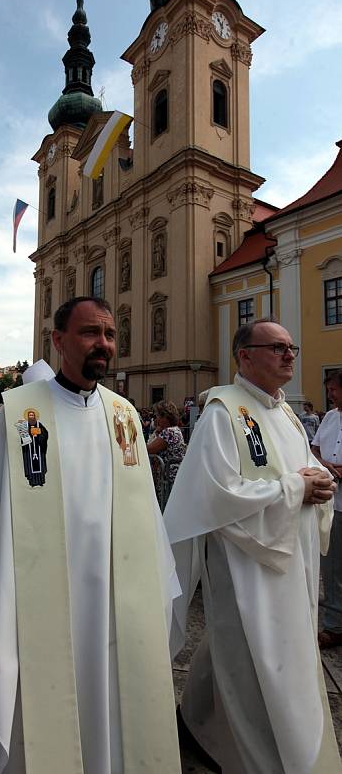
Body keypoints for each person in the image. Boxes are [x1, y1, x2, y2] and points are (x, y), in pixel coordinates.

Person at [0, 296, 181, 774]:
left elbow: (147, 516)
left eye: (110, 335)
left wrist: (158, 601)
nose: (103, 344)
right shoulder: (19, 414)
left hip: (113, 604)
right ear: (58, 341)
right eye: (91, 333)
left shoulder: (124, 415)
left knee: (110, 708)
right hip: (37, 609)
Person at [165, 319, 341, 774]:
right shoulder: (223, 412)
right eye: (277, 347)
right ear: (245, 356)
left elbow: (305, 472)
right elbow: (215, 495)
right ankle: (254, 753)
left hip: (292, 556)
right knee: (250, 655)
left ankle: (195, 721)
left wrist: (317, 484)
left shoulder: (285, 414)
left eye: (291, 348)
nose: (289, 355)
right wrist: (294, 490)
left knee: (259, 650)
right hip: (247, 563)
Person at [312, 369, 342, 649]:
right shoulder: (331, 417)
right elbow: (315, 449)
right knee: (332, 568)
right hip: (335, 503)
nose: (330, 395)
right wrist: (325, 465)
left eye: (334, 389)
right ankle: (334, 625)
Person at [147, 401, 186, 508]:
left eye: (158, 416)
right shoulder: (176, 430)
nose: (156, 420)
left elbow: (149, 449)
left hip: (168, 478)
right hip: (173, 477)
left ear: (166, 416)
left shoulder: (169, 432)